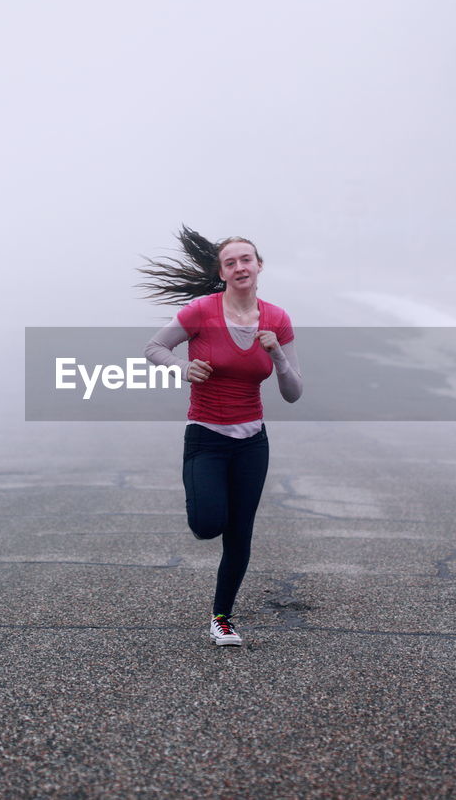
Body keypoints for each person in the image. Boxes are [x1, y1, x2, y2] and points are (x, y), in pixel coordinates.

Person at [140, 226, 302, 647]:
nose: (239, 267)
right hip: (206, 437)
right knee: (209, 525)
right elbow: (154, 348)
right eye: (230, 262)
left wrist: (278, 354)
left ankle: (222, 617)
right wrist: (181, 367)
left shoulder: (277, 319)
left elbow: (293, 393)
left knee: (240, 532)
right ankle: (205, 506)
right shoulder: (201, 312)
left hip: (252, 443)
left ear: (258, 266)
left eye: (246, 259)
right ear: (223, 272)